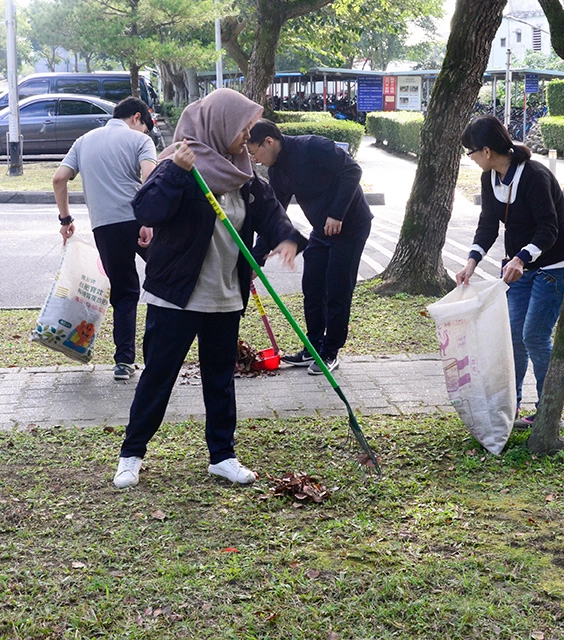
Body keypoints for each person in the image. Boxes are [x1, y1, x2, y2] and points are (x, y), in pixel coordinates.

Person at [113, 89, 305, 490]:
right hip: (176, 296)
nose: (247, 138)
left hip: (225, 294)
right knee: (159, 376)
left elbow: (271, 214)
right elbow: (146, 210)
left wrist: (287, 238)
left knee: (220, 378)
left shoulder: (244, 176)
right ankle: (131, 454)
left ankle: (223, 455)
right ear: (220, 125)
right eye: (243, 129)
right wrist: (179, 173)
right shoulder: (181, 162)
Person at [454, 115, 564, 428]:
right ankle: (510, 409)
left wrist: (522, 258)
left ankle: (549, 411)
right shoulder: (489, 178)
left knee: (534, 335)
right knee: (514, 338)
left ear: (487, 151)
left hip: (551, 266)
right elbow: (488, 225)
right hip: (516, 269)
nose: (471, 158)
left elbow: (550, 228)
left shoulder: (534, 176)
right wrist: (471, 261)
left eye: (471, 152)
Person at [247, 120, 373, 375]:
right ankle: (313, 346)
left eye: (254, 153)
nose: (256, 161)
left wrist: (337, 213)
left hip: (351, 226)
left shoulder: (313, 147)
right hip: (321, 231)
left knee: (338, 289)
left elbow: (352, 171)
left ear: (269, 141)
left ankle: (330, 352)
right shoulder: (277, 172)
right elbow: (275, 216)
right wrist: (255, 259)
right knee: (312, 286)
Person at [52, 97, 157, 380]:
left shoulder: (84, 140)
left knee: (124, 293)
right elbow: (150, 179)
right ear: (137, 117)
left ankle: (124, 362)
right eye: (145, 128)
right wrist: (148, 220)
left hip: (105, 227)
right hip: (138, 222)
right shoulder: (140, 142)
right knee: (167, 279)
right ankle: (160, 356)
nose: (145, 134)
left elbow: (59, 179)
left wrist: (66, 220)